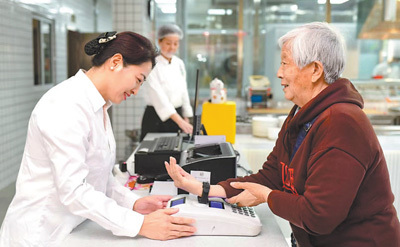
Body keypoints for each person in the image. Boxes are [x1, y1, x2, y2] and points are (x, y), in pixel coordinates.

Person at [165, 22, 400, 247]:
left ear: (315, 70)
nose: (278, 73)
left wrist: (268, 197)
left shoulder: (342, 122)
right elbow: (273, 175)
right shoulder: (302, 112)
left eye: (285, 63)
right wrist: (206, 189)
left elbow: (319, 216)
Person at [0, 31, 196, 246]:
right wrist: (139, 224)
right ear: (116, 62)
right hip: (41, 234)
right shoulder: (65, 105)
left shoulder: (98, 105)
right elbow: (74, 190)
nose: (136, 90)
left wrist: (133, 203)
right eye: (138, 80)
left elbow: (99, 177)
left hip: (73, 228)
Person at [140, 24, 193, 141]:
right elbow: (158, 97)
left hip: (178, 116)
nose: (172, 47)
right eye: (168, 43)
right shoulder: (151, 64)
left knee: (175, 152)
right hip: (156, 117)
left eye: (176, 43)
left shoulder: (179, 63)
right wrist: (180, 121)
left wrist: (186, 116)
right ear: (159, 41)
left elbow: (183, 90)